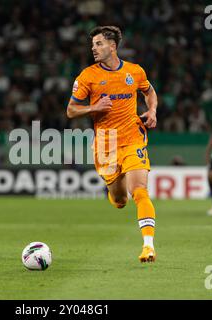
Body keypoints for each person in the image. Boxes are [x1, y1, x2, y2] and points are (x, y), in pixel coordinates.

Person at [66, 26, 159, 263]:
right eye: (93, 45)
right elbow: (71, 110)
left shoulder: (134, 71)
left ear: (112, 46)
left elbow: (149, 91)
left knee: (139, 191)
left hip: (132, 139)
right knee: (119, 200)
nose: (93, 49)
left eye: (98, 44)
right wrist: (93, 108)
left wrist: (152, 110)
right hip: (105, 145)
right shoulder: (87, 76)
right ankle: (116, 193)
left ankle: (148, 246)